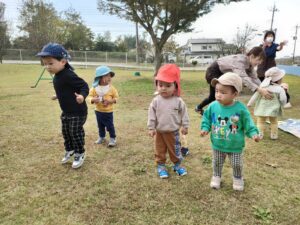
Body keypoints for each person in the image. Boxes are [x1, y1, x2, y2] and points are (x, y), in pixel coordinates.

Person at [200, 72, 260, 191]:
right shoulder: (213, 106)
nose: (218, 95)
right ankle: (216, 176)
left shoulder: (240, 109)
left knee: (236, 164)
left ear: (235, 94)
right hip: (218, 143)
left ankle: (238, 178)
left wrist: (253, 133)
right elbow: (206, 117)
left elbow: (248, 122)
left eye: (223, 92)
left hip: (235, 145)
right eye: (217, 91)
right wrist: (205, 128)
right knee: (217, 162)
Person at [37, 43, 89, 169]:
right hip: (66, 111)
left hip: (78, 111)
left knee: (75, 132)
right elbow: (65, 89)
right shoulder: (57, 76)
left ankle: (79, 153)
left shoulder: (68, 75)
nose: (47, 66)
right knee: (66, 132)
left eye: (50, 63)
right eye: (45, 63)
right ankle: (70, 150)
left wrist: (82, 96)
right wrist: (58, 95)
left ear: (63, 61)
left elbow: (84, 86)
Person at [195, 46, 272, 115]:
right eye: (258, 60)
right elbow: (243, 78)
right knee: (221, 95)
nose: (259, 63)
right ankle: (217, 113)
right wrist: (259, 89)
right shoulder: (240, 61)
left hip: (221, 73)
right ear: (251, 56)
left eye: (260, 61)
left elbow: (254, 78)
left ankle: (199, 107)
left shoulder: (250, 65)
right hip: (213, 71)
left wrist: (264, 87)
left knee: (215, 96)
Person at [147, 64, 189, 179]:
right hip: (159, 132)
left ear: (175, 86)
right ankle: (161, 166)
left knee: (174, 149)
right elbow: (151, 115)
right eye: (160, 85)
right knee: (159, 150)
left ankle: (177, 165)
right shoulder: (156, 101)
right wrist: (151, 127)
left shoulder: (178, 101)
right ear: (157, 85)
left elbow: (184, 113)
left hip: (173, 131)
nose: (163, 88)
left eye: (168, 85)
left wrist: (185, 125)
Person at [247, 67, 287, 140]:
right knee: (274, 122)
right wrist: (283, 104)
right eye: (281, 78)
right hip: (274, 109)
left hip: (262, 109)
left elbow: (255, 96)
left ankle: (260, 134)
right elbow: (283, 99)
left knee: (260, 122)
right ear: (278, 80)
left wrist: (250, 103)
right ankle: (274, 135)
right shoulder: (280, 89)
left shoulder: (262, 87)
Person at [88, 66, 119, 147]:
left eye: (110, 76)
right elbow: (89, 97)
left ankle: (113, 138)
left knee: (110, 126)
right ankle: (102, 137)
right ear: (99, 77)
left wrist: (110, 101)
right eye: (106, 76)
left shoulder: (111, 88)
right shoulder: (94, 88)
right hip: (98, 111)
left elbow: (116, 98)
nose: (109, 78)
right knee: (100, 125)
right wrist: (93, 99)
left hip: (108, 112)